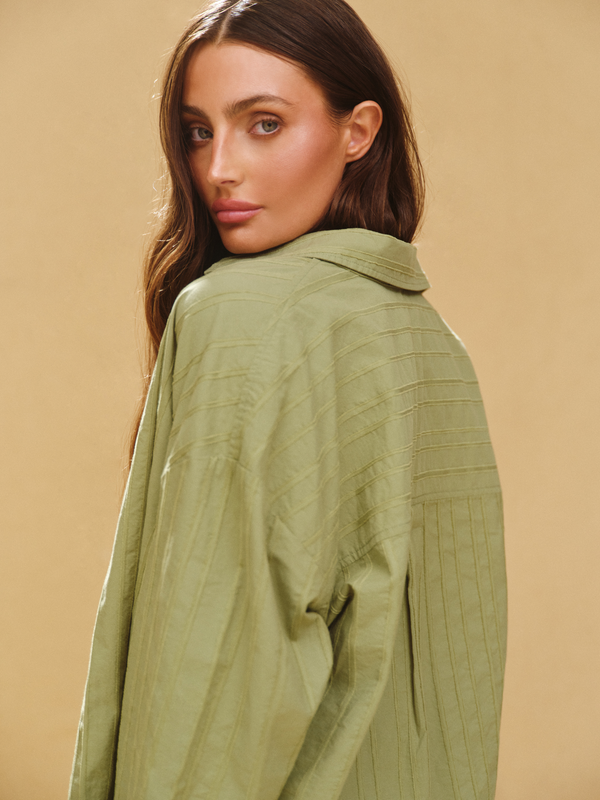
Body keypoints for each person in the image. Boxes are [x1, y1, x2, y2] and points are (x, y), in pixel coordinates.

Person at [69, 0, 507, 798]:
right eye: (199, 130)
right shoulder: (429, 344)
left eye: (262, 123)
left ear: (358, 130)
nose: (218, 169)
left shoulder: (240, 317)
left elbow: (209, 682)